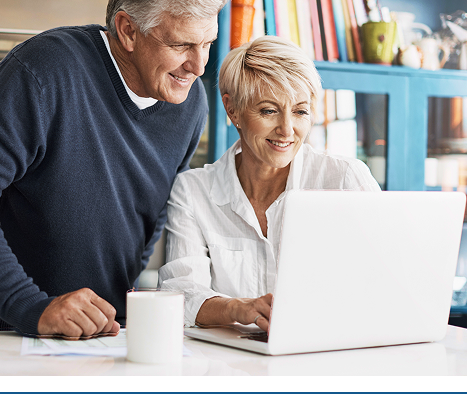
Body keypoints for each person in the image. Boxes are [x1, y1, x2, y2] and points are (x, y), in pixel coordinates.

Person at [0, 0, 229, 338]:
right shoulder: (45, 71)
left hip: (102, 336)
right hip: (0, 333)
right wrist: (29, 305)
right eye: (182, 44)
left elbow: (154, 213)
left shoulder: (190, 104)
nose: (198, 64)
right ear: (128, 30)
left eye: (206, 43)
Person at [158, 35, 381, 332]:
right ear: (233, 109)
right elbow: (180, 296)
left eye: (300, 111)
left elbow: (385, 281)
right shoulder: (193, 192)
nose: (287, 130)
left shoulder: (344, 180)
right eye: (269, 110)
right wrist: (240, 308)